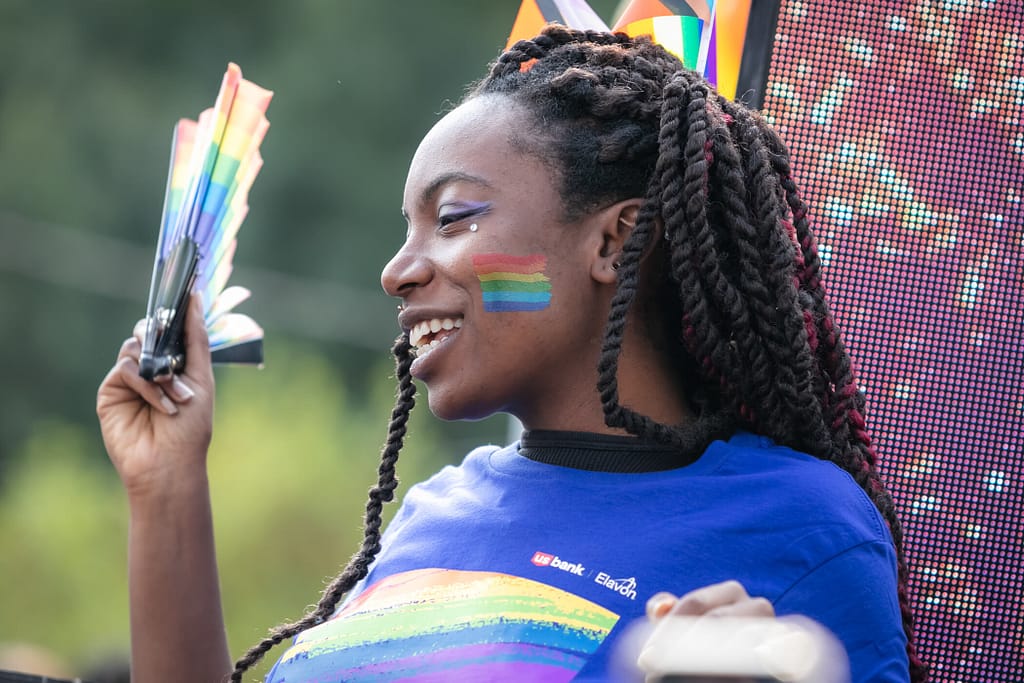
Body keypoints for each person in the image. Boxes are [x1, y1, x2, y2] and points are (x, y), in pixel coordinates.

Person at [97, 25, 926, 683]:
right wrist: (166, 486)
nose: (397, 270)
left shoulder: (802, 527)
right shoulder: (431, 516)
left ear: (616, 242)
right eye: (407, 229)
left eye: (454, 217)